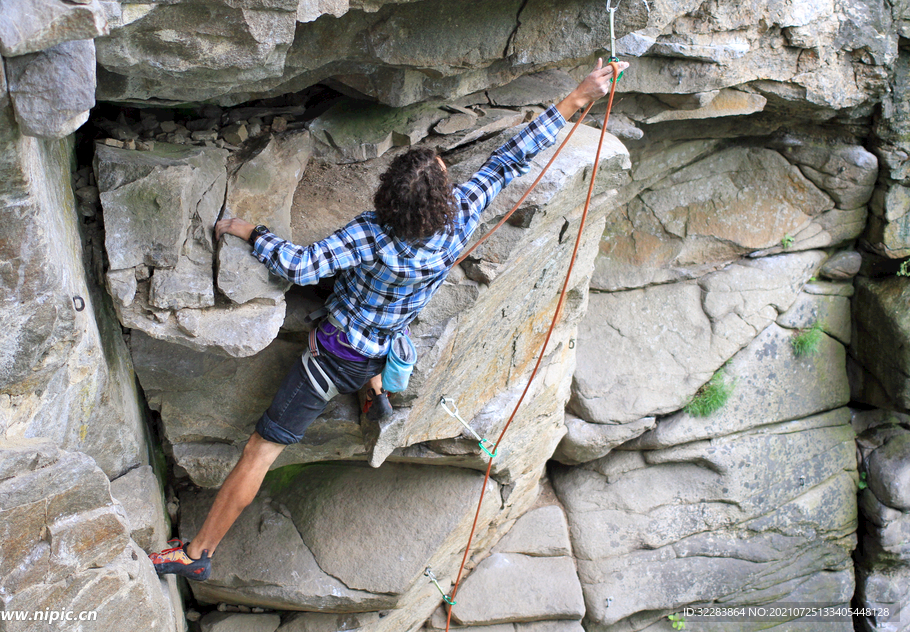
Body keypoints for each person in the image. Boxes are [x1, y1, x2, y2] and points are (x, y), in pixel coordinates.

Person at [148, 58, 628, 581]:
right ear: (442, 199)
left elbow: (300, 264)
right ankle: (375, 393)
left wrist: (249, 230)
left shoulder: (372, 233)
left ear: (388, 198)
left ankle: (197, 554)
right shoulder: (460, 217)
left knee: (259, 450)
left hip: (331, 360)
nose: (447, 167)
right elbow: (513, 158)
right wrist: (580, 97)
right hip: (381, 343)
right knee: (371, 344)